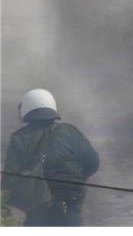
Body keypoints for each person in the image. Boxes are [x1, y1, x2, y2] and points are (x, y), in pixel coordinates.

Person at [2, 89, 99, 226]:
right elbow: (93, 162)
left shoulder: (19, 138)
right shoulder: (69, 131)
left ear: (27, 109)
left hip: (38, 205)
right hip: (72, 199)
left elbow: (9, 179)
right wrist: (77, 178)